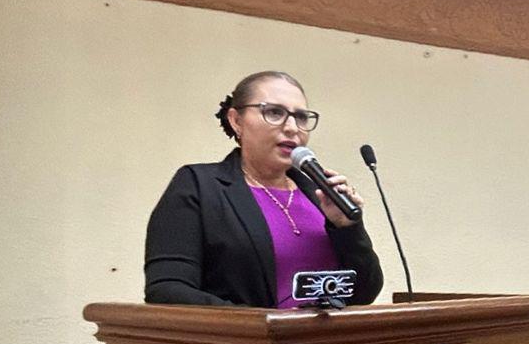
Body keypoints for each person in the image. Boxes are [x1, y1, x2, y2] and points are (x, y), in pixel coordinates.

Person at [145, 71, 383, 307]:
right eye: (274, 112)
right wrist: (262, 324)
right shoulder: (199, 186)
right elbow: (167, 289)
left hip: (331, 333)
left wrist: (348, 229)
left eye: (301, 117)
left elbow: (364, 293)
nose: (292, 128)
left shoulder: (319, 195)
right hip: (245, 333)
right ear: (236, 120)